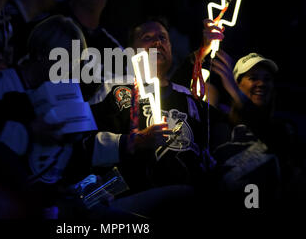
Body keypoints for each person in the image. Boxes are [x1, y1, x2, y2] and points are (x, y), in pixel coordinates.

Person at [81, 18, 229, 217]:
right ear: (131, 52)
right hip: (129, 200)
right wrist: (134, 141)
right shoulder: (114, 89)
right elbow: (83, 143)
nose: (157, 42)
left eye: (163, 38)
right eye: (147, 38)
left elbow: (222, 136)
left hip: (191, 199)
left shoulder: (189, 98)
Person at [210, 51, 302, 208]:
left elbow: (274, 139)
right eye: (253, 78)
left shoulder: (283, 129)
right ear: (236, 84)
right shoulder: (218, 126)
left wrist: (240, 97)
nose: (261, 83)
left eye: (267, 79)